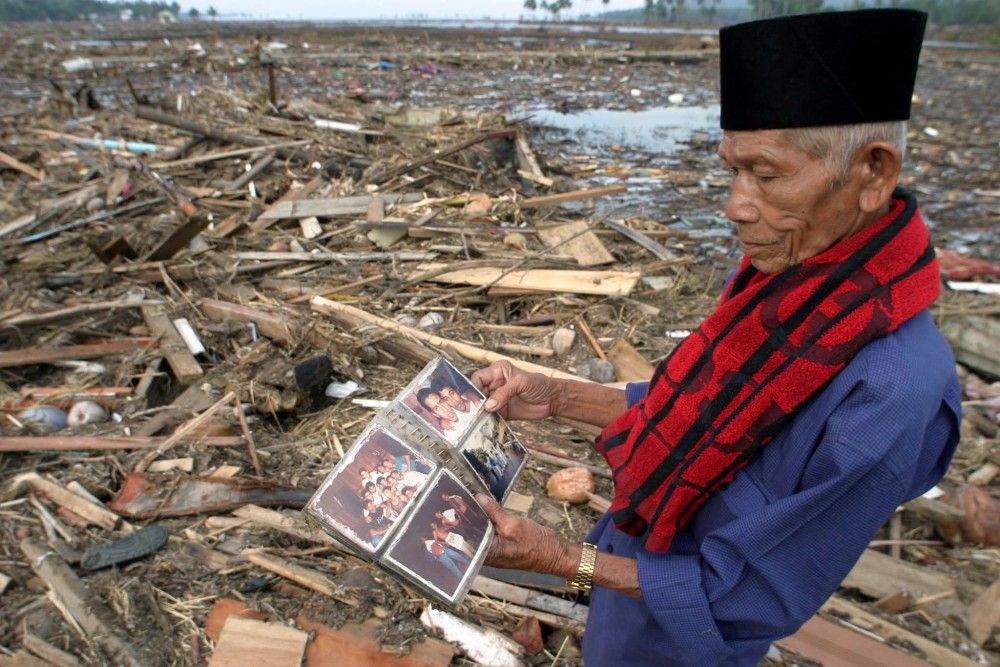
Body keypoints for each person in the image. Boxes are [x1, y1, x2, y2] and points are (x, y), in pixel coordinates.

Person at [470, 10, 960, 667]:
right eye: (733, 168)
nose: (735, 203)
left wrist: (560, 558)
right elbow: (690, 404)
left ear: (872, 173)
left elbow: (743, 590)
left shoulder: (891, 392)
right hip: (635, 553)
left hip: (690, 637)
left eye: (767, 173)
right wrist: (554, 394)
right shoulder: (787, 276)